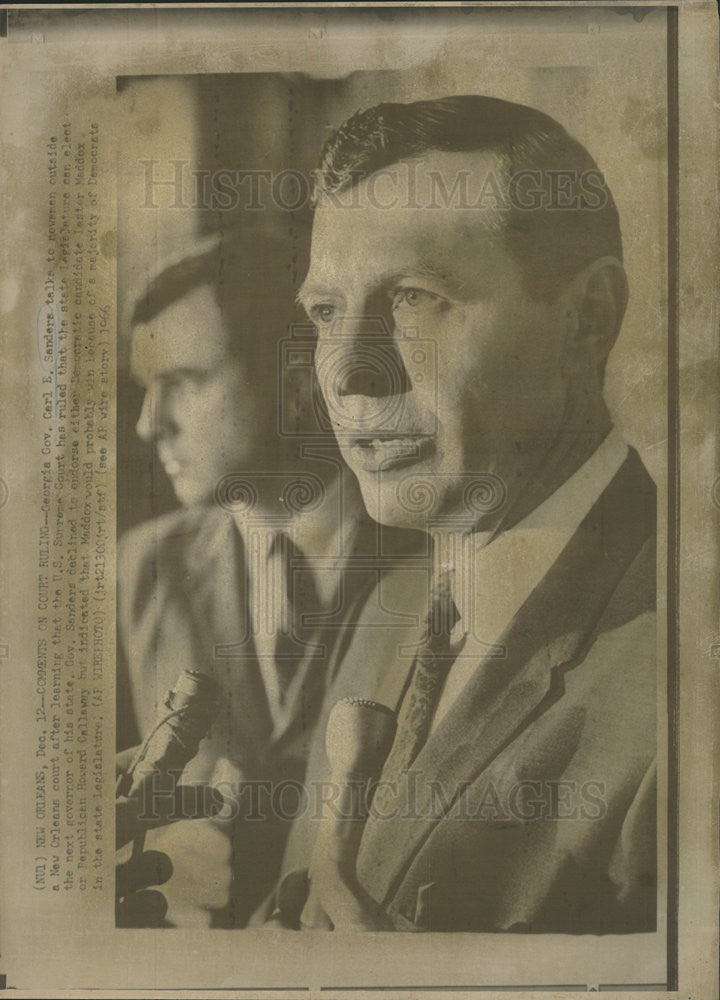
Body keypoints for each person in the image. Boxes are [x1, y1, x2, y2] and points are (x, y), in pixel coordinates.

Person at [267, 95, 657, 934]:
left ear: (587, 319)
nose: (348, 375)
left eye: (412, 298)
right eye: (327, 313)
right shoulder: (394, 606)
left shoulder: (685, 673)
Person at [116, 231, 424, 927]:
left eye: (184, 382)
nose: (147, 425)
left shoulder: (431, 560)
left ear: (293, 382)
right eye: (145, 390)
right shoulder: (138, 571)